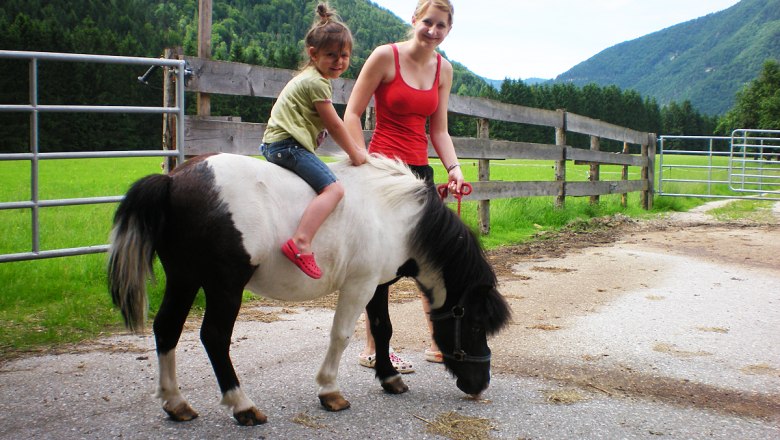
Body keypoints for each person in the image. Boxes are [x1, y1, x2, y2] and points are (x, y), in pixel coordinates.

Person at [344, 0, 464, 372]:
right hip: (381, 170)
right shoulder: (385, 57)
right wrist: (361, 159)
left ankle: (438, 341)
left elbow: (438, 130)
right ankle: (373, 349)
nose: (433, 30)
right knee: (381, 265)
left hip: (419, 174)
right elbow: (352, 112)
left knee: (432, 261)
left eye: (441, 25)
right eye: (427, 22)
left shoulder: (444, 69)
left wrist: (454, 169)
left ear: (448, 30)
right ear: (414, 20)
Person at [260, 3, 367, 279]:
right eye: (331, 55)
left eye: (344, 55)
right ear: (313, 54)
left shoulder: (312, 78)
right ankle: (301, 242)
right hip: (288, 146)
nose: (339, 61)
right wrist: (356, 153)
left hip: (279, 144)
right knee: (334, 190)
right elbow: (334, 124)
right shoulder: (317, 83)